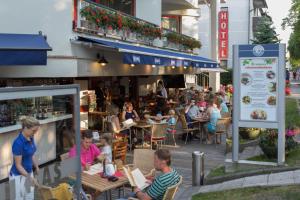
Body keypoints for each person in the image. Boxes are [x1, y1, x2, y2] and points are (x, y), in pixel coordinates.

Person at [10, 116, 40, 200]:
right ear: (26, 128)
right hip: (17, 176)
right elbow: (18, 165)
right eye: (34, 131)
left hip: (29, 172)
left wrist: (36, 166)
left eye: (36, 130)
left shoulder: (31, 137)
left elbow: (31, 154)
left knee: (29, 197)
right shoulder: (18, 143)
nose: (35, 133)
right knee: (18, 198)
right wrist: (29, 178)